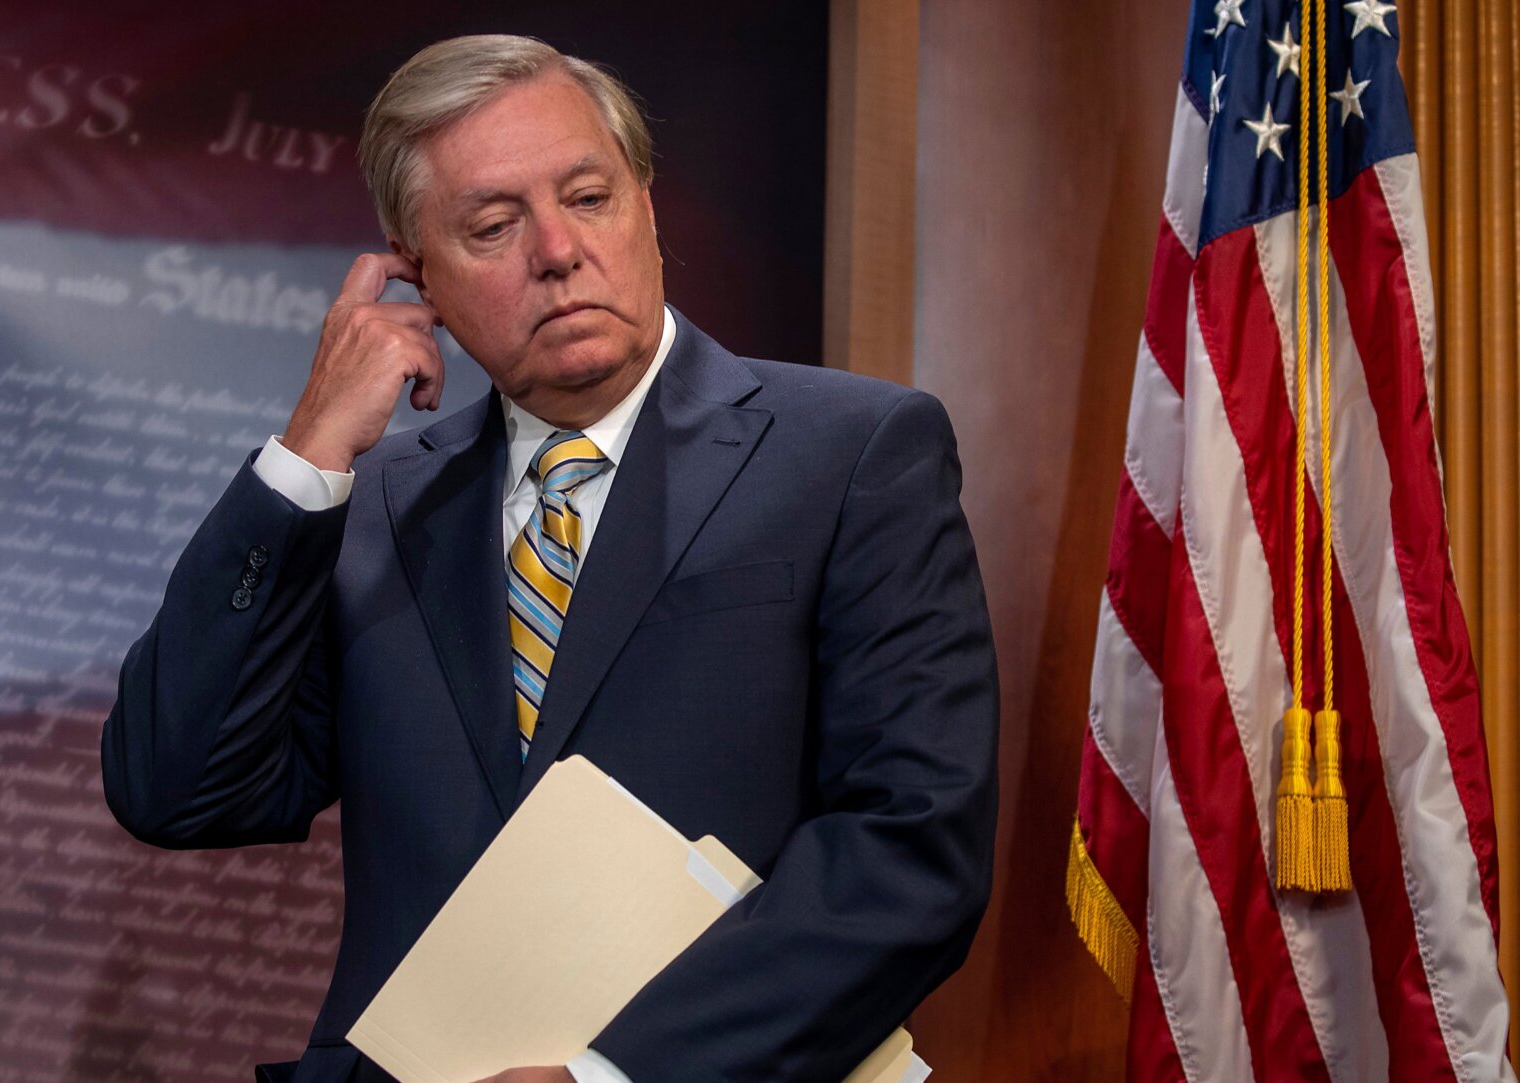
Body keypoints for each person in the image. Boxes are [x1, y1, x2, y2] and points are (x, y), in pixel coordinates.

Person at [101, 34, 998, 1083]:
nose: (559, 250)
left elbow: (912, 847)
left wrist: (609, 1077)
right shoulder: (373, 507)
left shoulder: (852, 452)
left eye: (588, 197)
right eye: (493, 225)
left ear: (646, 206)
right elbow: (175, 790)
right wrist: (305, 457)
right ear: (417, 271)